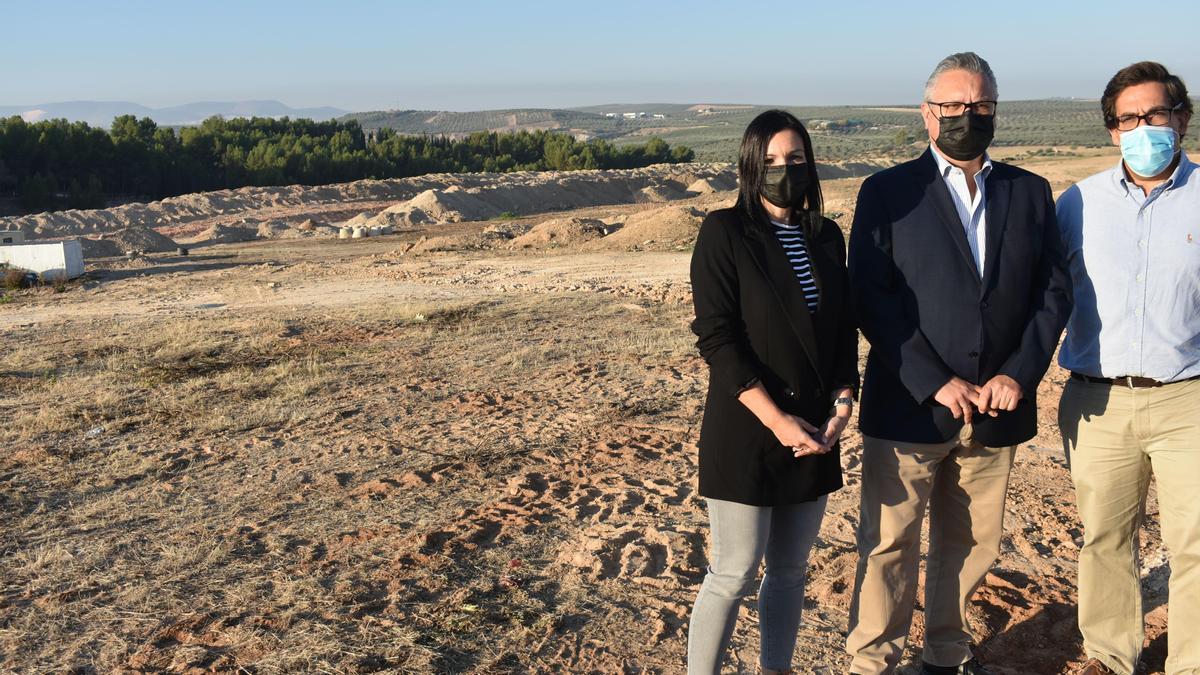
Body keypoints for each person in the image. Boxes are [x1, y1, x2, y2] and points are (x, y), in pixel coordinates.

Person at [845, 52, 1072, 674]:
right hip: (909, 407)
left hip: (996, 406)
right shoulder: (887, 192)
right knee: (890, 543)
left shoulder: (1029, 191)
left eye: (980, 106)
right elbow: (871, 296)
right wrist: (934, 379)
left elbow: (1051, 293)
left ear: (995, 111)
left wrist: (1017, 375)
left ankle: (946, 654)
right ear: (927, 114)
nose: (966, 116)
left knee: (971, 544)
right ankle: (876, 661)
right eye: (953, 106)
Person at [687, 109, 858, 674]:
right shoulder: (725, 232)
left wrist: (842, 402)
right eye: (772, 162)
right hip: (750, 428)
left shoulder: (825, 235)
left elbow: (839, 331)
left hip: (814, 428)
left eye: (796, 160)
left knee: (789, 571)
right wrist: (778, 421)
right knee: (734, 571)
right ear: (750, 167)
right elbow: (718, 338)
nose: (785, 171)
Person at [1055, 61, 1200, 675]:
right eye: (1129, 119)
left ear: (1182, 119)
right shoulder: (1077, 204)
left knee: (1195, 547)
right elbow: (1042, 297)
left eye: (1156, 114)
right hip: (1097, 401)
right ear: (1112, 131)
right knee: (1105, 541)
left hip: (1188, 401)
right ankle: (1112, 657)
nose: (1144, 128)